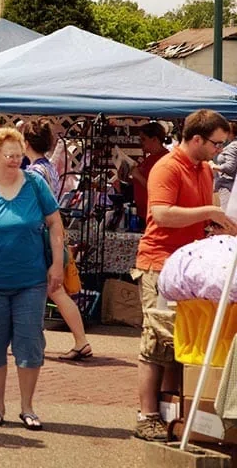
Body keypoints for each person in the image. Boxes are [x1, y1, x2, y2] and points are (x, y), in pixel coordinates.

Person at [134, 109, 236, 441]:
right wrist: (210, 212)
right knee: (155, 343)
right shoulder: (167, 166)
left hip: (189, 267)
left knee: (182, 344)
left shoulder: (204, 168)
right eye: (216, 144)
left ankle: (171, 412)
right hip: (160, 264)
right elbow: (161, 214)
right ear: (196, 139)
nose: (219, 150)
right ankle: (146, 415)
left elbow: (208, 212)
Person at [0, 126, 64, 431]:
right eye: (9, 156)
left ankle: (27, 406)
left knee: (30, 345)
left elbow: (55, 224)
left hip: (30, 279)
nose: (16, 160)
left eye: (19, 155)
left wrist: (57, 264)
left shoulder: (35, 184)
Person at [20, 119, 92, 361]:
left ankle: (6, 339)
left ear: (25, 142)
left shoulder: (32, 172)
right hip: (48, 235)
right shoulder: (48, 167)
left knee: (43, 290)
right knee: (55, 292)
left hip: (38, 238)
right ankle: (80, 341)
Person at [213, 122, 237, 210]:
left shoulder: (232, 146)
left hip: (228, 186)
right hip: (232, 185)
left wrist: (213, 166)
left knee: (228, 217)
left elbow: (230, 167)